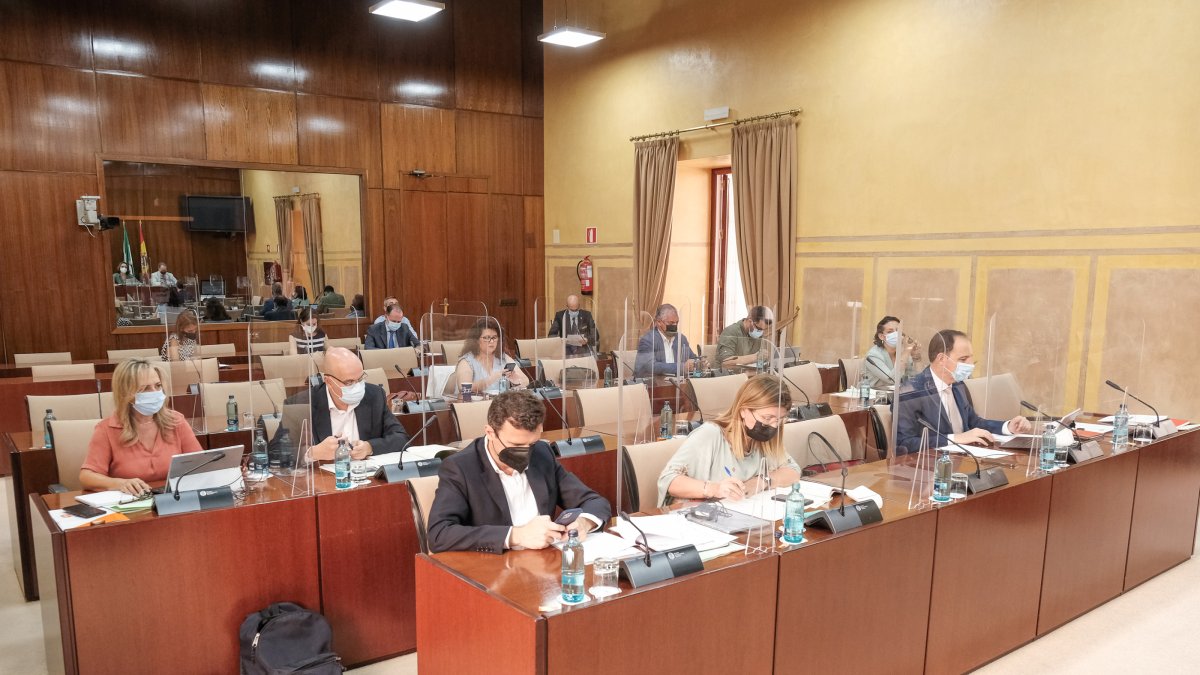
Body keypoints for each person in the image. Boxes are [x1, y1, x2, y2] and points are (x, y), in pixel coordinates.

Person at [426, 390, 612, 554]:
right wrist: (516, 535)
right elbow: (439, 534)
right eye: (516, 445)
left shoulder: (542, 453)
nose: (526, 452)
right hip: (494, 571)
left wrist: (584, 523)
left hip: (545, 563)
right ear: (490, 433)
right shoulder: (461, 468)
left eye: (531, 444)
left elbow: (594, 502)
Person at [656, 374, 800, 507]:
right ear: (744, 410)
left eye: (780, 420)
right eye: (767, 418)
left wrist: (760, 482)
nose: (774, 426)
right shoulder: (711, 434)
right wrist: (715, 488)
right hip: (696, 518)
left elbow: (793, 471)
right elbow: (668, 480)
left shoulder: (764, 441)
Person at [895, 329, 1033, 454]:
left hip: (963, 459)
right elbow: (904, 444)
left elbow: (974, 422)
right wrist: (955, 438)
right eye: (963, 359)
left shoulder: (958, 385)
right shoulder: (910, 392)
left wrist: (1007, 427)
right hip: (928, 470)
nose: (970, 365)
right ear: (941, 359)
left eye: (971, 359)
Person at [79, 359, 202, 495]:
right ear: (126, 394)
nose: (154, 392)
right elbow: (87, 477)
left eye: (158, 385)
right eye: (144, 389)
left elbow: (201, 465)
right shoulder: (107, 429)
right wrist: (120, 483)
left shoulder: (176, 421)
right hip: (130, 504)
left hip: (172, 500)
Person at [272, 347, 410, 463]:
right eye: (349, 382)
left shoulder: (374, 395)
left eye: (360, 378)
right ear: (328, 381)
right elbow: (275, 451)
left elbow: (401, 437)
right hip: (322, 484)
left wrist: (369, 447)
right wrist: (313, 453)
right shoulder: (300, 404)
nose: (357, 386)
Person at [455, 317, 528, 395]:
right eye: (486, 338)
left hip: (499, 404)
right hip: (475, 405)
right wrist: (491, 379)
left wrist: (516, 382)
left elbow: (526, 380)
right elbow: (464, 389)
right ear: (476, 340)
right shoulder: (466, 361)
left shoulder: (502, 357)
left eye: (494, 337)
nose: (492, 341)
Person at [635, 303, 699, 378]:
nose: (675, 326)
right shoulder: (648, 340)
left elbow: (692, 358)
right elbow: (650, 366)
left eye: (677, 323)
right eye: (671, 323)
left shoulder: (681, 339)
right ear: (659, 322)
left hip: (678, 383)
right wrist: (681, 367)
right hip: (653, 384)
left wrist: (698, 363)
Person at [863, 315, 921, 388]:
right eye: (890, 331)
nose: (896, 334)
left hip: (897, 396)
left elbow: (916, 377)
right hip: (873, 396)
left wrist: (915, 356)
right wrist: (907, 351)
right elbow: (892, 380)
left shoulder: (902, 353)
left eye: (898, 331)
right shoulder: (873, 355)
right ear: (881, 336)